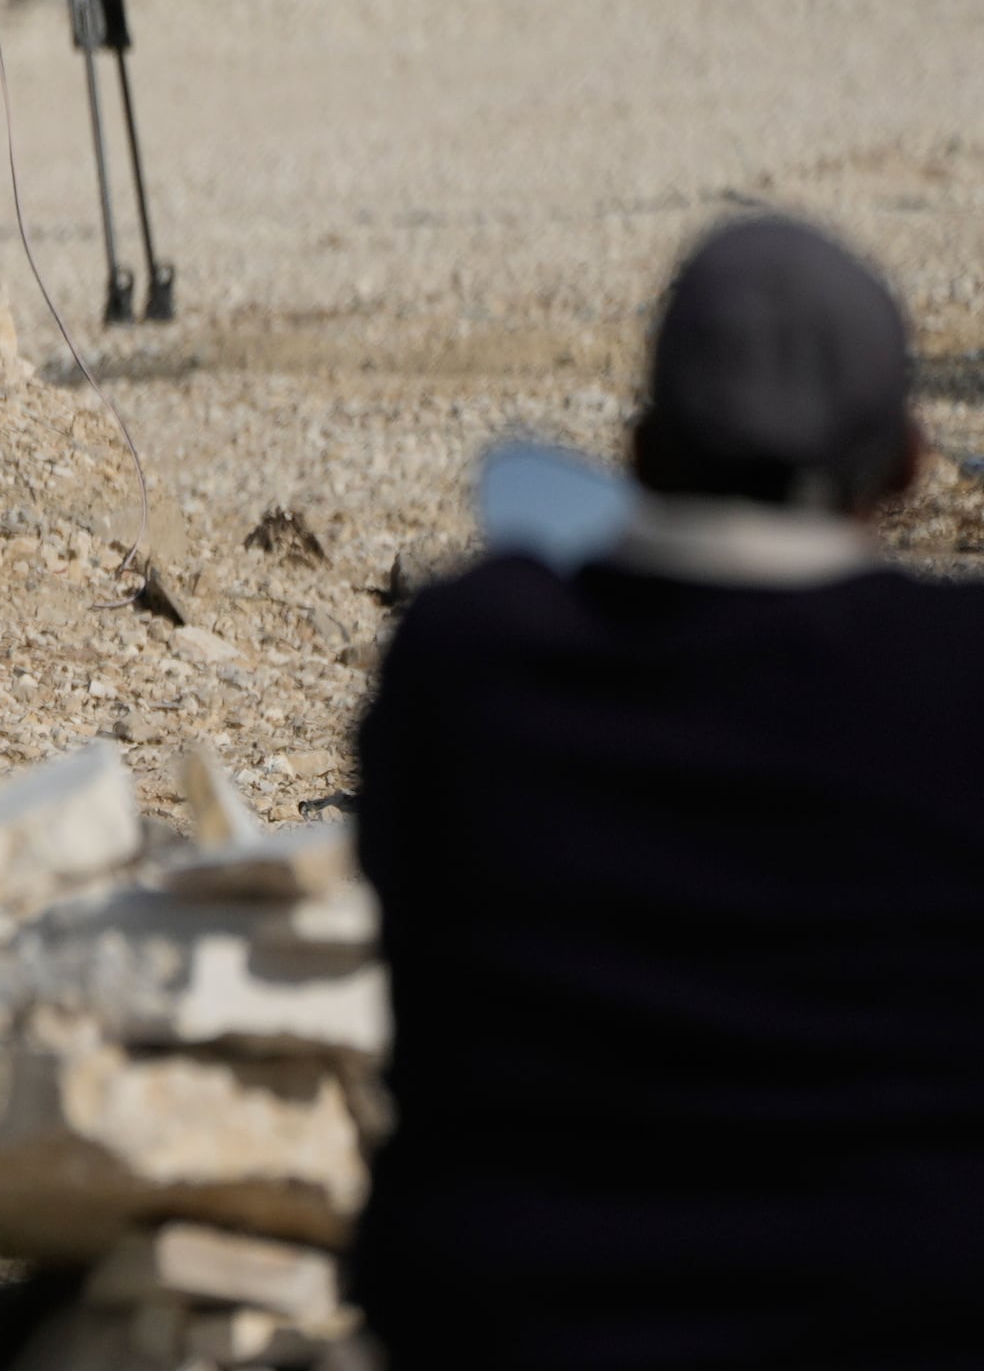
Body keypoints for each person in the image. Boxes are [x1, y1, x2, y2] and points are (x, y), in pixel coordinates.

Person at [354, 214, 984, 1365]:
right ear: (904, 466)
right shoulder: (955, 678)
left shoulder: (471, 660)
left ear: (640, 449)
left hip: (518, 1323)